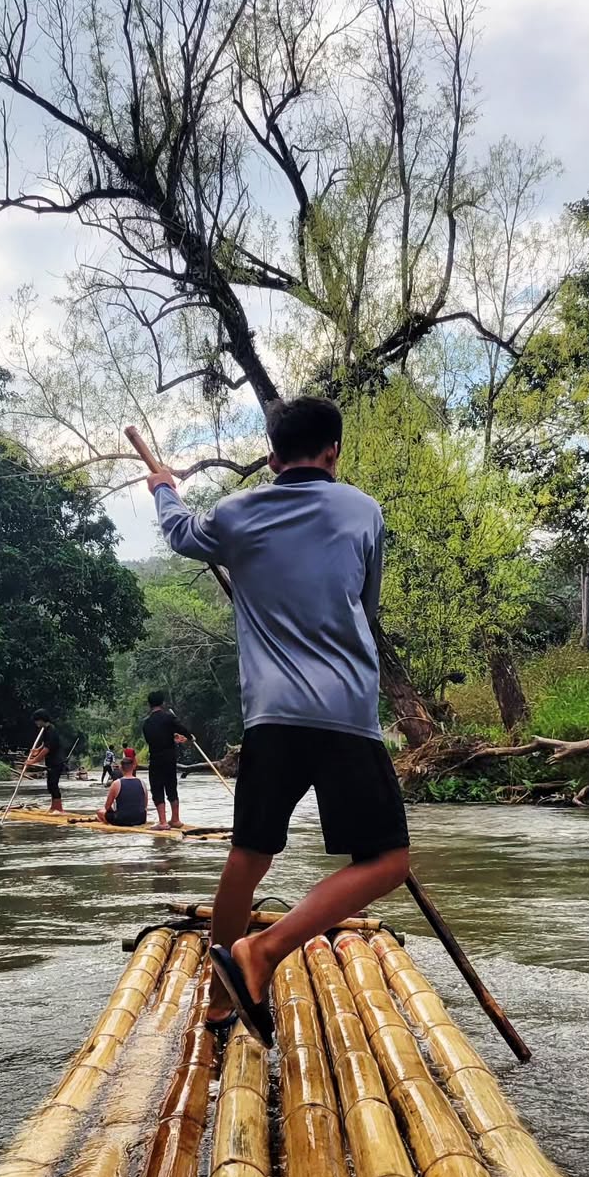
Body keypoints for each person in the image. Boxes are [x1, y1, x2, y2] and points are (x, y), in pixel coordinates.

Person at [148, 396, 411, 1046]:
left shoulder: (237, 514)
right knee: (386, 862)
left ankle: (220, 998)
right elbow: (366, 605)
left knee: (250, 854)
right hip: (346, 711)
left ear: (271, 458)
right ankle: (262, 953)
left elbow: (180, 533)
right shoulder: (364, 511)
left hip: (272, 714)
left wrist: (163, 488)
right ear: (334, 451)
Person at [141, 691, 193, 829]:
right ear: (162, 703)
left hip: (156, 759)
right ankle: (175, 819)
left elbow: (151, 740)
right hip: (170, 758)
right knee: (171, 786)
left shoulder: (146, 723)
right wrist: (190, 737)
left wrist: (172, 736)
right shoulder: (169, 718)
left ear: (149, 704)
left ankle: (163, 822)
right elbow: (181, 729)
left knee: (157, 788)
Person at [97, 748, 148, 827]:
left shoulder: (116, 783)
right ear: (133, 767)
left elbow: (107, 807)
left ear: (121, 768)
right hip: (141, 819)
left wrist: (113, 812)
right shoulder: (142, 783)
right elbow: (145, 805)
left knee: (100, 812)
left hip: (122, 820)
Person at [28, 708, 64, 813]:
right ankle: (53, 807)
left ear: (41, 719)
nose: (36, 723)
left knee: (53, 784)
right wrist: (37, 750)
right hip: (51, 762)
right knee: (50, 785)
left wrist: (34, 761)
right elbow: (44, 744)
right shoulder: (45, 730)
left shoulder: (51, 730)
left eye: (36, 721)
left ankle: (59, 808)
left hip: (56, 762)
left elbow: (47, 749)